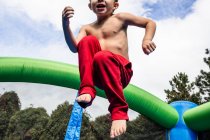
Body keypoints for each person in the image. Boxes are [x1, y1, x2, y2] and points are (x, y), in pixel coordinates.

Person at [62, 0, 156, 138]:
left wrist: (146, 39)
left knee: (102, 56)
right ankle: (87, 88)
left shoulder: (120, 18)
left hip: (120, 72)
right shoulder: (87, 29)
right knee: (87, 41)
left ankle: (118, 110)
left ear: (115, 5)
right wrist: (65, 25)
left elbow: (150, 23)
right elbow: (75, 47)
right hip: (98, 76)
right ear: (90, 6)